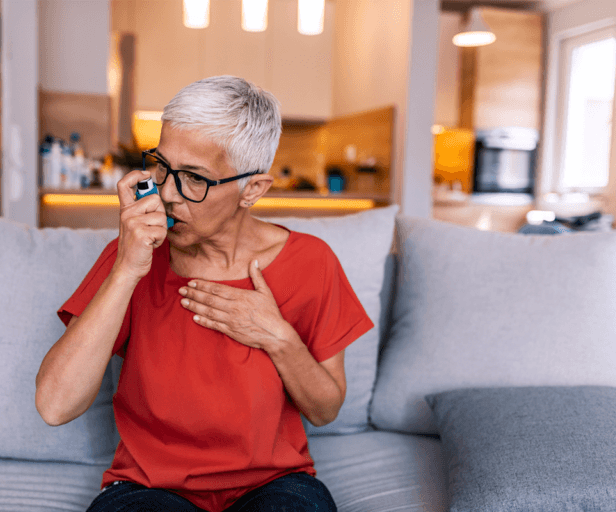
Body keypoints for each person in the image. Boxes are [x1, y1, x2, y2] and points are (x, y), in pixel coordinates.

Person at [35, 75, 374, 512]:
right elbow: (54, 406)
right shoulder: (132, 254)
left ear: (252, 189)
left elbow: (325, 410)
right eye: (162, 166)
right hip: (148, 489)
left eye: (194, 178)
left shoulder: (311, 262)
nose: (168, 194)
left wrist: (277, 336)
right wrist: (127, 270)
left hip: (275, 485)